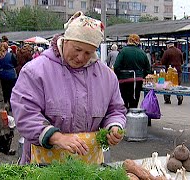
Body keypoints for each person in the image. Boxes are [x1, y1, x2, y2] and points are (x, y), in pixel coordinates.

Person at [10, 11, 126, 165]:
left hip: (89, 164)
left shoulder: (106, 76)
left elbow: (115, 110)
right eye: (77, 49)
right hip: (44, 164)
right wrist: (57, 137)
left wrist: (115, 126)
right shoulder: (35, 71)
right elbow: (25, 113)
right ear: (65, 40)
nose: (81, 58)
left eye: (88, 53)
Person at [114, 34, 151, 109]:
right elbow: (148, 69)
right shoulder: (142, 53)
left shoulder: (123, 51)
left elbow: (116, 67)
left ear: (129, 40)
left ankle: (124, 118)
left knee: (123, 102)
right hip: (137, 81)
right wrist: (141, 75)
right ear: (138, 41)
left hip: (124, 81)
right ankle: (133, 118)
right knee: (134, 103)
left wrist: (119, 76)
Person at [161, 41, 184, 105]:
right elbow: (182, 62)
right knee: (178, 85)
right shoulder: (179, 51)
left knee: (167, 85)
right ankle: (180, 97)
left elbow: (163, 62)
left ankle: (167, 99)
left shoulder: (167, 52)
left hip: (169, 72)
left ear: (168, 45)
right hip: (178, 71)